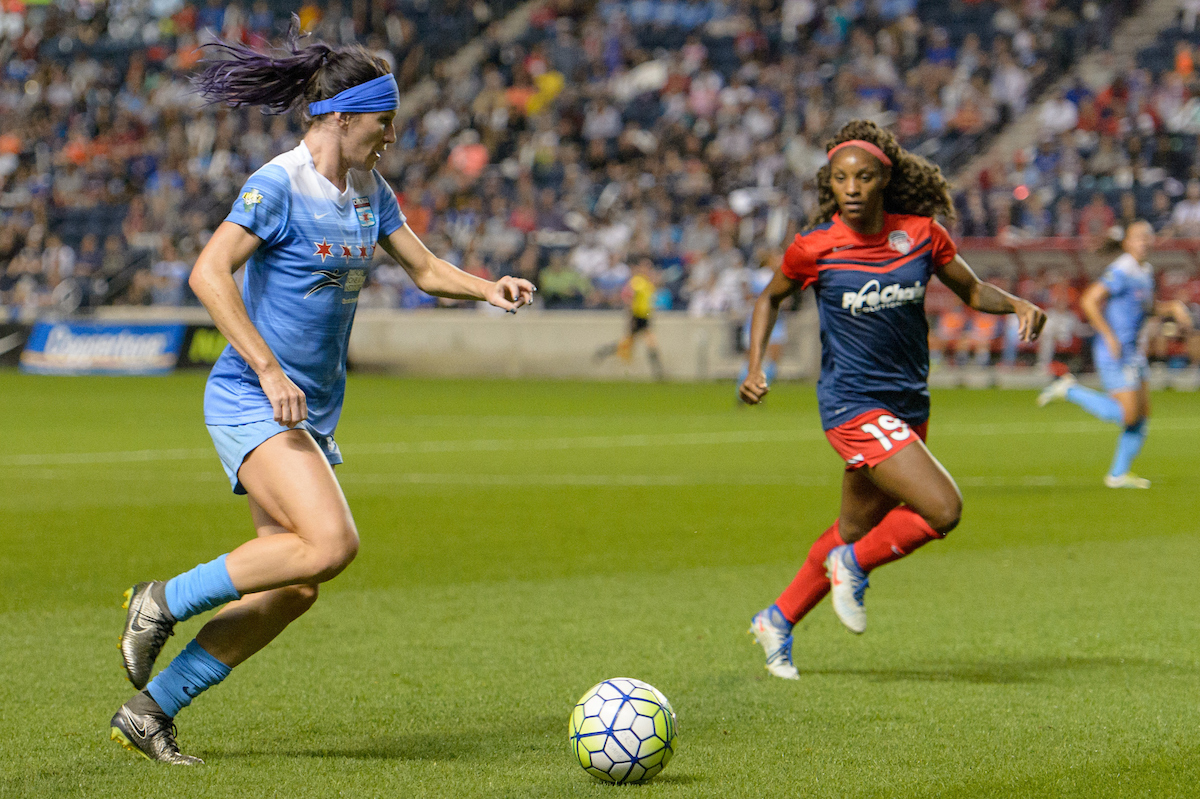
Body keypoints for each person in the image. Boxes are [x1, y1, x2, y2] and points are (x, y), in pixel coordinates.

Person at [110, 27, 535, 764]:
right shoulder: (280, 183)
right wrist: (270, 370)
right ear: (342, 116)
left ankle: (150, 710)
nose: (391, 135)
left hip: (306, 411)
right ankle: (162, 599)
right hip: (254, 396)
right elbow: (209, 274)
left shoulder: (370, 189)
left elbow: (427, 269)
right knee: (333, 544)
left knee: (296, 583)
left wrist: (487, 287)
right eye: (383, 121)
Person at [740, 120, 1046, 680]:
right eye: (840, 178)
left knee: (852, 528)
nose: (851, 188)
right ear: (829, 185)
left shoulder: (922, 235)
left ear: (885, 178)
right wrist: (756, 366)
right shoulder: (815, 247)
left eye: (862, 177)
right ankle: (850, 567)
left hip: (908, 404)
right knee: (942, 509)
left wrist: (1017, 304)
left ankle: (777, 619)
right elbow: (769, 299)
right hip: (852, 406)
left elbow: (973, 290)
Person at [1036, 221, 1193, 488]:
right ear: (1128, 243)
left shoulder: (1145, 271)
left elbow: (1148, 307)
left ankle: (1118, 475)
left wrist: (1173, 308)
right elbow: (1089, 299)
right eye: (1139, 237)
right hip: (1115, 351)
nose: (1145, 241)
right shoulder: (1122, 269)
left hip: (1133, 351)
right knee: (1127, 415)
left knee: (1142, 414)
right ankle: (1069, 389)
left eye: (1148, 236)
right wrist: (1109, 335)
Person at [594, 257, 665, 380]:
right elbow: (628, 297)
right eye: (645, 266)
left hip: (645, 317)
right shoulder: (637, 282)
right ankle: (658, 373)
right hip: (637, 317)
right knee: (630, 343)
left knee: (647, 343)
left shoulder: (647, 282)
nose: (648, 269)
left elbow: (648, 300)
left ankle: (658, 372)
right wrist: (631, 315)